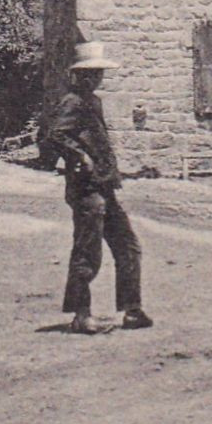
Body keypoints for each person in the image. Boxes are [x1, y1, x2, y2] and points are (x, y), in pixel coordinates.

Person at [45, 42, 151, 334]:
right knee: (87, 251)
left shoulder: (93, 101)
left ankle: (132, 309)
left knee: (127, 245)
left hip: (104, 185)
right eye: (90, 73)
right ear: (78, 76)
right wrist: (81, 156)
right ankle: (81, 314)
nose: (95, 78)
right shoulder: (72, 102)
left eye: (98, 72)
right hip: (85, 190)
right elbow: (54, 135)